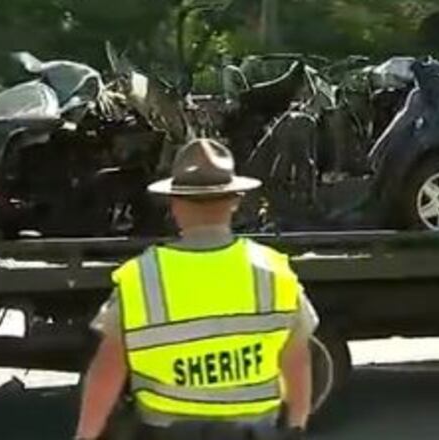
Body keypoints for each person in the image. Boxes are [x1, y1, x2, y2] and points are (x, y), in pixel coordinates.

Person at [74, 138, 318, 440]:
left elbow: (109, 368)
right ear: (235, 201)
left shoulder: (142, 277)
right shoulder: (274, 272)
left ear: (174, 205)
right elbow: (297, 358)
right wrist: (296, 426)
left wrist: (86, 436)